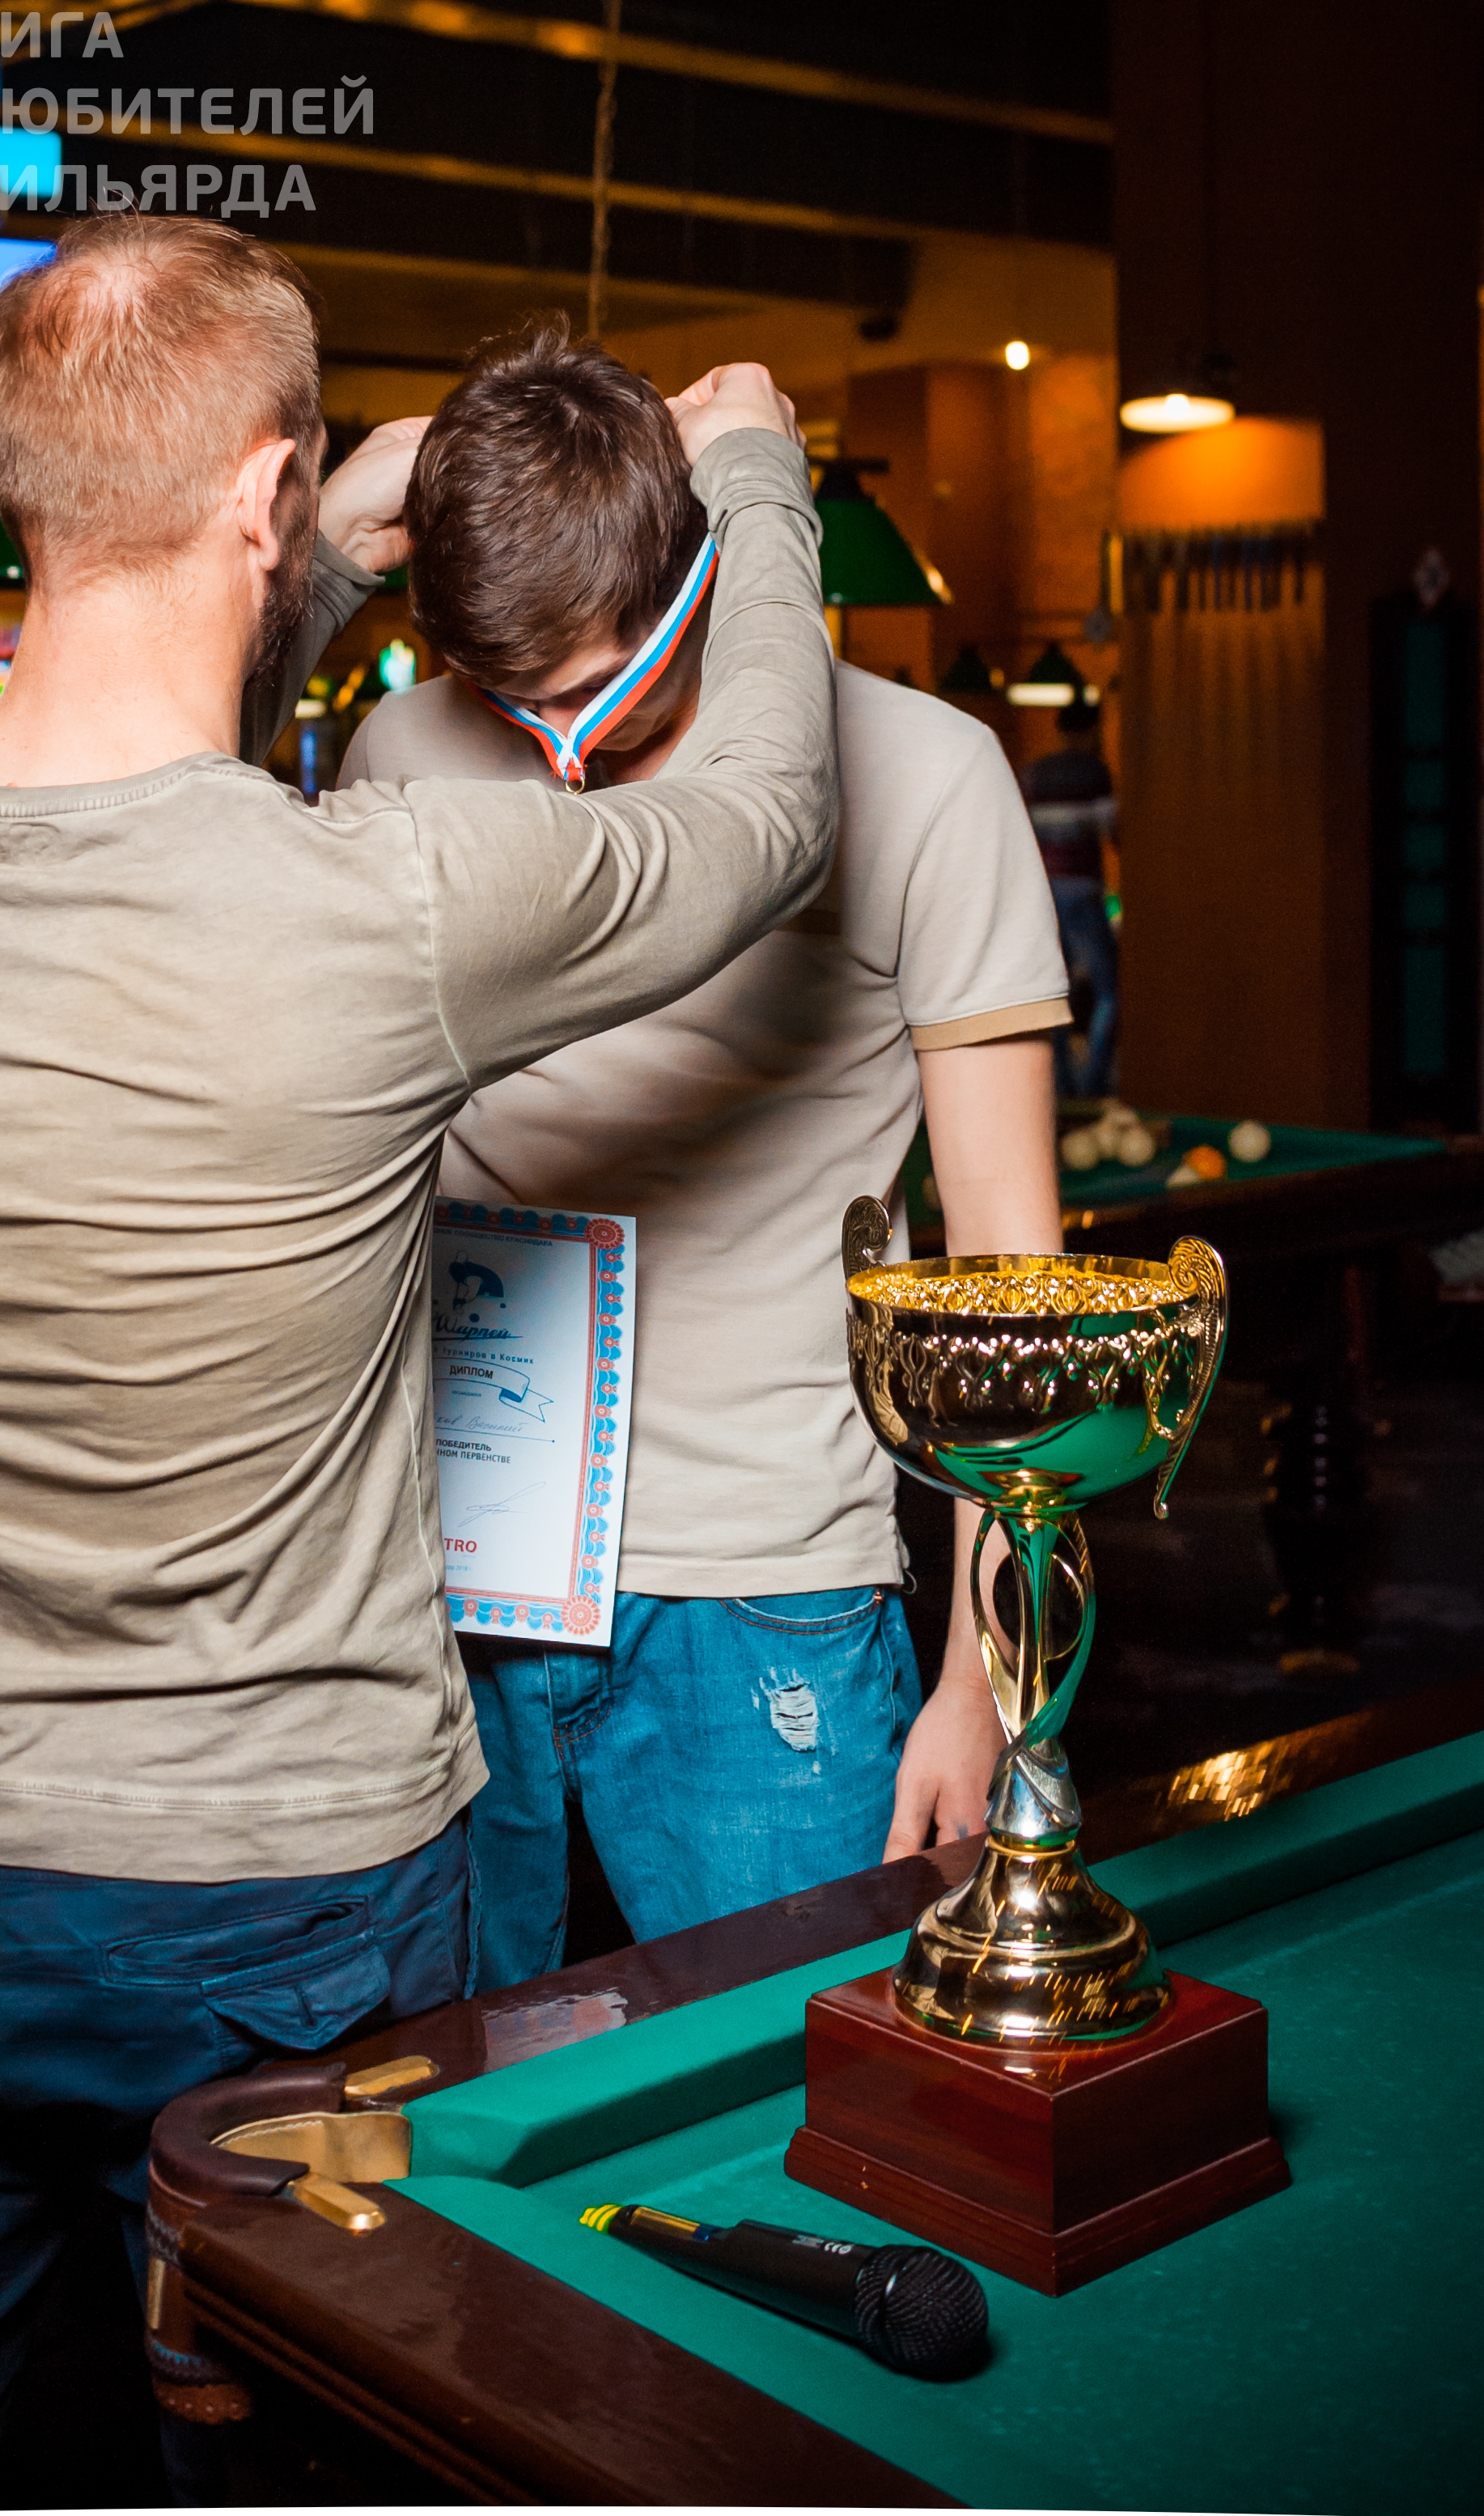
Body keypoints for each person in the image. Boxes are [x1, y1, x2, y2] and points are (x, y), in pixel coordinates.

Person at [0, 218, 836, 2512]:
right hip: (276, 1908)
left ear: (15, 484)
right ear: (260, 496)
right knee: (306, 2459)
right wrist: (748, 474)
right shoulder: (388, 898)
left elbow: (147, 673)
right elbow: (762, 817)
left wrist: (297, 508)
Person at [341, 322, 1070, 1989]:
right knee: (431, 2109)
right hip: (447, 1576)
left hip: (761, 1593)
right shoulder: (398, 753)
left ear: (701, 570)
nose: (562, 744)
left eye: (596, 686)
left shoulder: (928, 774)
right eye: (513, 699)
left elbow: (1011, 1281)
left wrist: (989, 1685)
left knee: (806, 2077)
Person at [1024, 697, 1120, 1097]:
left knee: (1053, 991)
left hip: (1041, 894)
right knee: (1110, 991)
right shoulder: (1094, 771)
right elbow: (1114, 829)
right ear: (1091, 730)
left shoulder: (1033, 773)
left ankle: (1063, 1084)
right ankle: (1093, 1084)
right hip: (1082, 889)